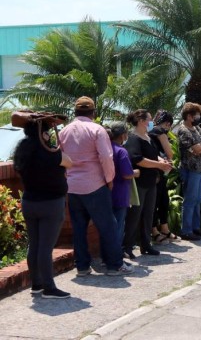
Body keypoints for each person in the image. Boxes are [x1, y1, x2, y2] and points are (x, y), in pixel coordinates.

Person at [59, 96, 133, 276]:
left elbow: (61, 158)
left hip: (72, 186)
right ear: (93, 112)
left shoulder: (64, 131)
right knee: (108, 226)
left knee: (78, 228)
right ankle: (114, 265)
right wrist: (109, 180)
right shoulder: (97, 129)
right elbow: (106, 157)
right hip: (95, 185)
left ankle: (82, 267)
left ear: (75, 112)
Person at [14, 117, 72, 298]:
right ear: (44, 134)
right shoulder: (51, 153)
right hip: (51, 204)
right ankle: (49, 287)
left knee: (35, 244)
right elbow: (69, 161)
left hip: (30, 202)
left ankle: (36, 284)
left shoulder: (22, 152)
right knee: (46, 247)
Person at [124, 109, 173, 257]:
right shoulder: (133, 138)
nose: (152, 122)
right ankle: (127, 246)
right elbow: (138, 159)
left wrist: (160, 160)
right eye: (149, 119)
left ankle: (146, 245)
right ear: (141, 120)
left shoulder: (147, 136)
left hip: (152, 181)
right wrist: (159, 165)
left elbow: (153, 154)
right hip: (139, 182)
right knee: (134, 215)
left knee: (149, 214)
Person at [177, 102, 201, 241]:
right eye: (196, 114)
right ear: (189, 116)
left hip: (200, 169)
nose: (199, 117)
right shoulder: (183, 131)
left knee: (197, 199)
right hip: (190, 170)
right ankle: (186, 230)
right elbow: (195, 150)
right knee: (190, 200)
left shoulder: (196, 128)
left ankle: (195, 227)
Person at [106, 122, 139, 249]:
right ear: (123, 135)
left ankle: (106, 256)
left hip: (106, 193)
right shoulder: (121, 151)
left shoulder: (106, 149)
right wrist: (136, 173)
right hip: (120, 194)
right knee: (118, 226)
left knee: (107, 227)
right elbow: (127, 174)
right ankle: (116, 256)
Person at [149, 110, 179, 242]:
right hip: (158, 171)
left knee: (162, 200)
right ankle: (156, 231)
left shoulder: (149, 132)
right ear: (168, 123)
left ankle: (163, 230)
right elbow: (170, 153)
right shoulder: (160, 132)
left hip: (156, 170)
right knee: (159, 201)